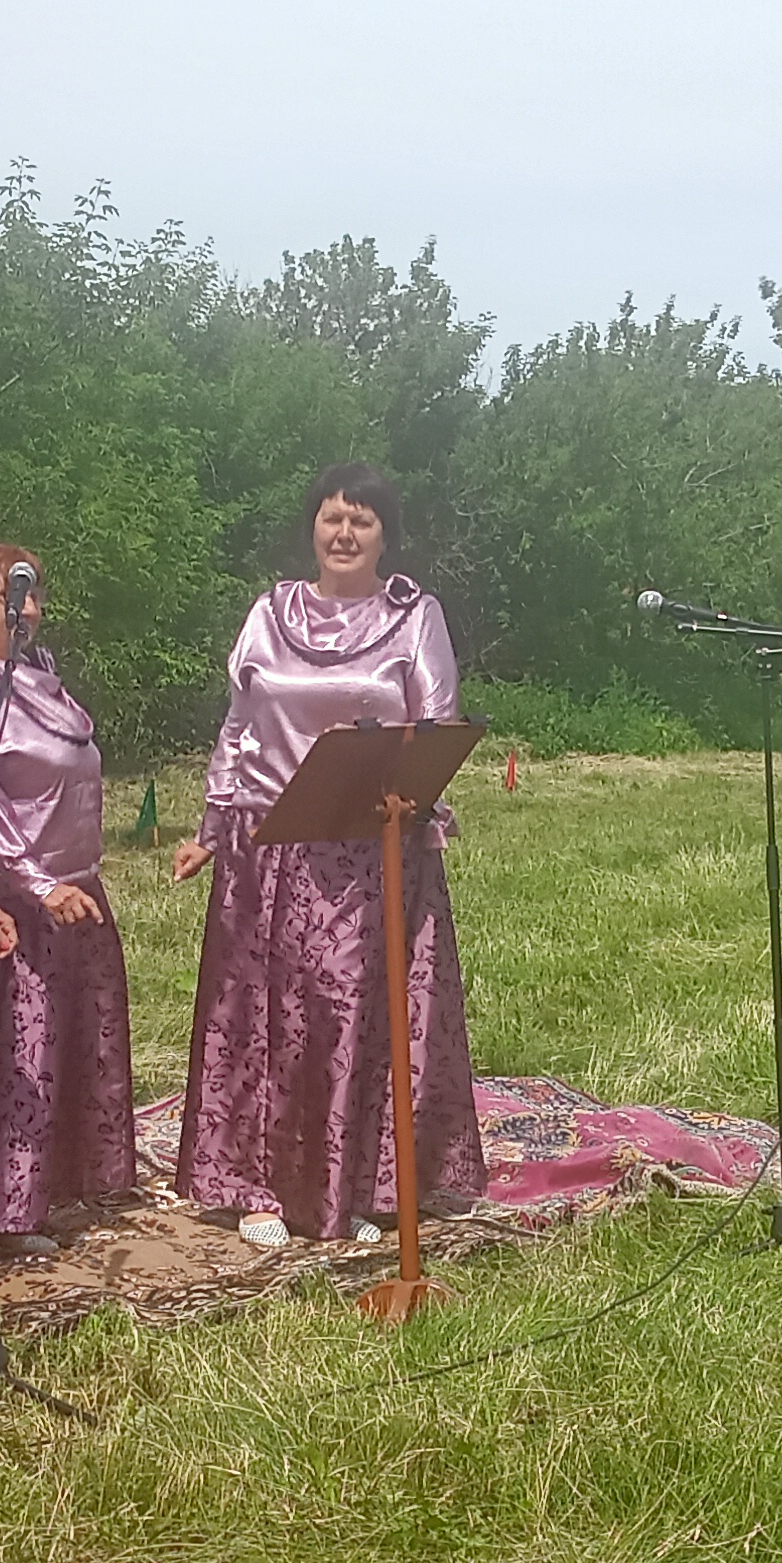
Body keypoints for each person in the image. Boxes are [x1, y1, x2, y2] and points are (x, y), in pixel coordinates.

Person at [170, 460, 484, 1246]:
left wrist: (417, 806)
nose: (345, 533)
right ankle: (259, 1189)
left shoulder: (415, 616)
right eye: (332, 518)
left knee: (349, 1013)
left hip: (368, 850)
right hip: (266, 850)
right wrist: (210, 828)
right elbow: (238, 726)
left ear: (386, 535)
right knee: (265, 1020)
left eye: (362, 520)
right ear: (312, 527)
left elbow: (435, 725)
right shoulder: (268, 613)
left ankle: (356, 1186)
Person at [0, 542, 137, 1257]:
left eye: (36, 594)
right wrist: (34, 885)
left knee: (64, 1051)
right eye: (11, 598)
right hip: (9, 901)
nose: (32, 610)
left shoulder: (41, 673)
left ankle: (33, 1202)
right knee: (9, 1057)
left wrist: (67, 881)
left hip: (74, 889)